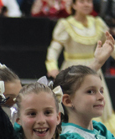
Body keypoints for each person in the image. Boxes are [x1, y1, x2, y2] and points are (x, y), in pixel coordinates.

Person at [46, 0, 115, 132]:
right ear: (73, 5)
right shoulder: (66, 24)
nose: (86, 4)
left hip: (94, 68)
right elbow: (54, 48)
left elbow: (110, 46)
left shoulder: (98, 23)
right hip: (72, 69)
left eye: (89, 1)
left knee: (97, 99)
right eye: (82, 2)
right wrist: (52, 66)